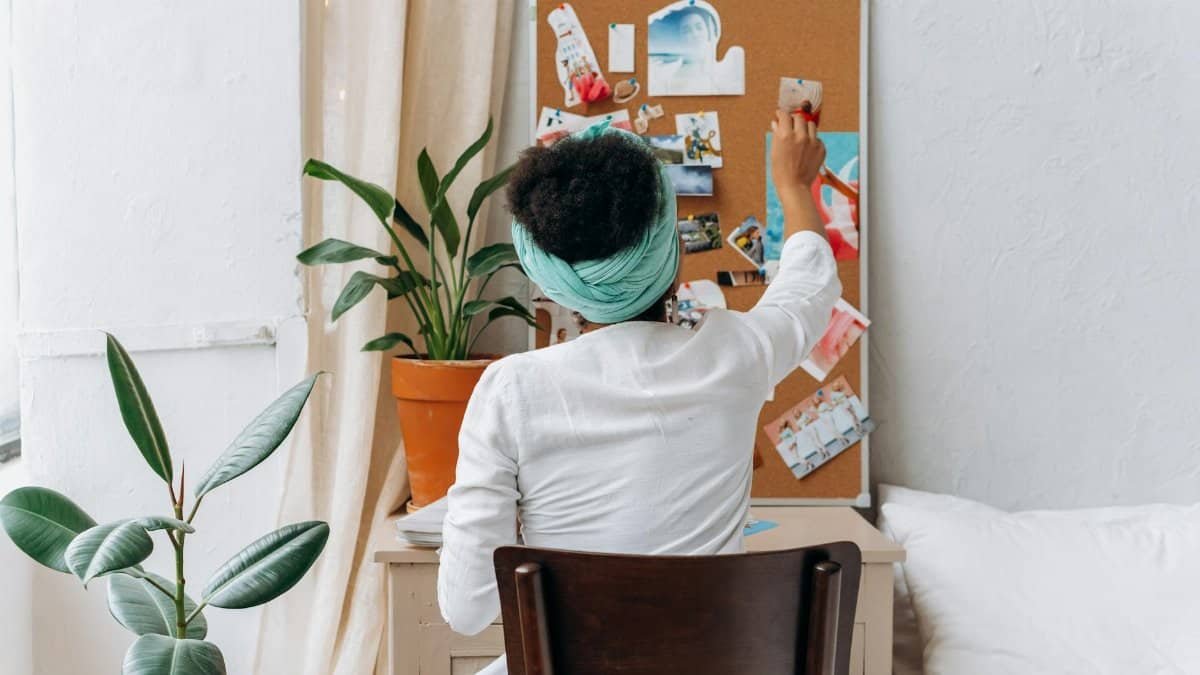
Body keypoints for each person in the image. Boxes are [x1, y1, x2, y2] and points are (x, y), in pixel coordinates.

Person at [438, 107, 838, 674]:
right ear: (674, 257)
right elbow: (808, 288)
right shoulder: (735, 354)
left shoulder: (511, 391)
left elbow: (467, 609)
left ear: (555, 287)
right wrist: (793, 186)